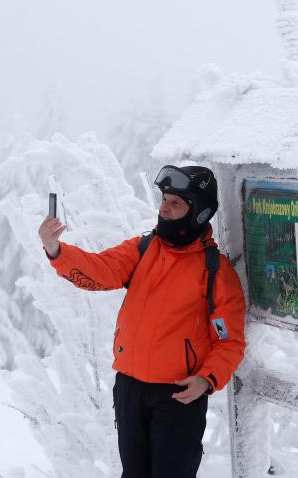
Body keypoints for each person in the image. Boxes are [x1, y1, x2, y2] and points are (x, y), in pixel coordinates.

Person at [38, 165, 246, 478]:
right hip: (130, 390)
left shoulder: (215, 271)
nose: (164, 207)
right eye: (164, 199)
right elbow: (99, 271)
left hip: (178, 396)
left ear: (200, 213)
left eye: (176, 203)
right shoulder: (144, 248)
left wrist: (206, 379)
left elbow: (229, 340)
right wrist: (56, 251)